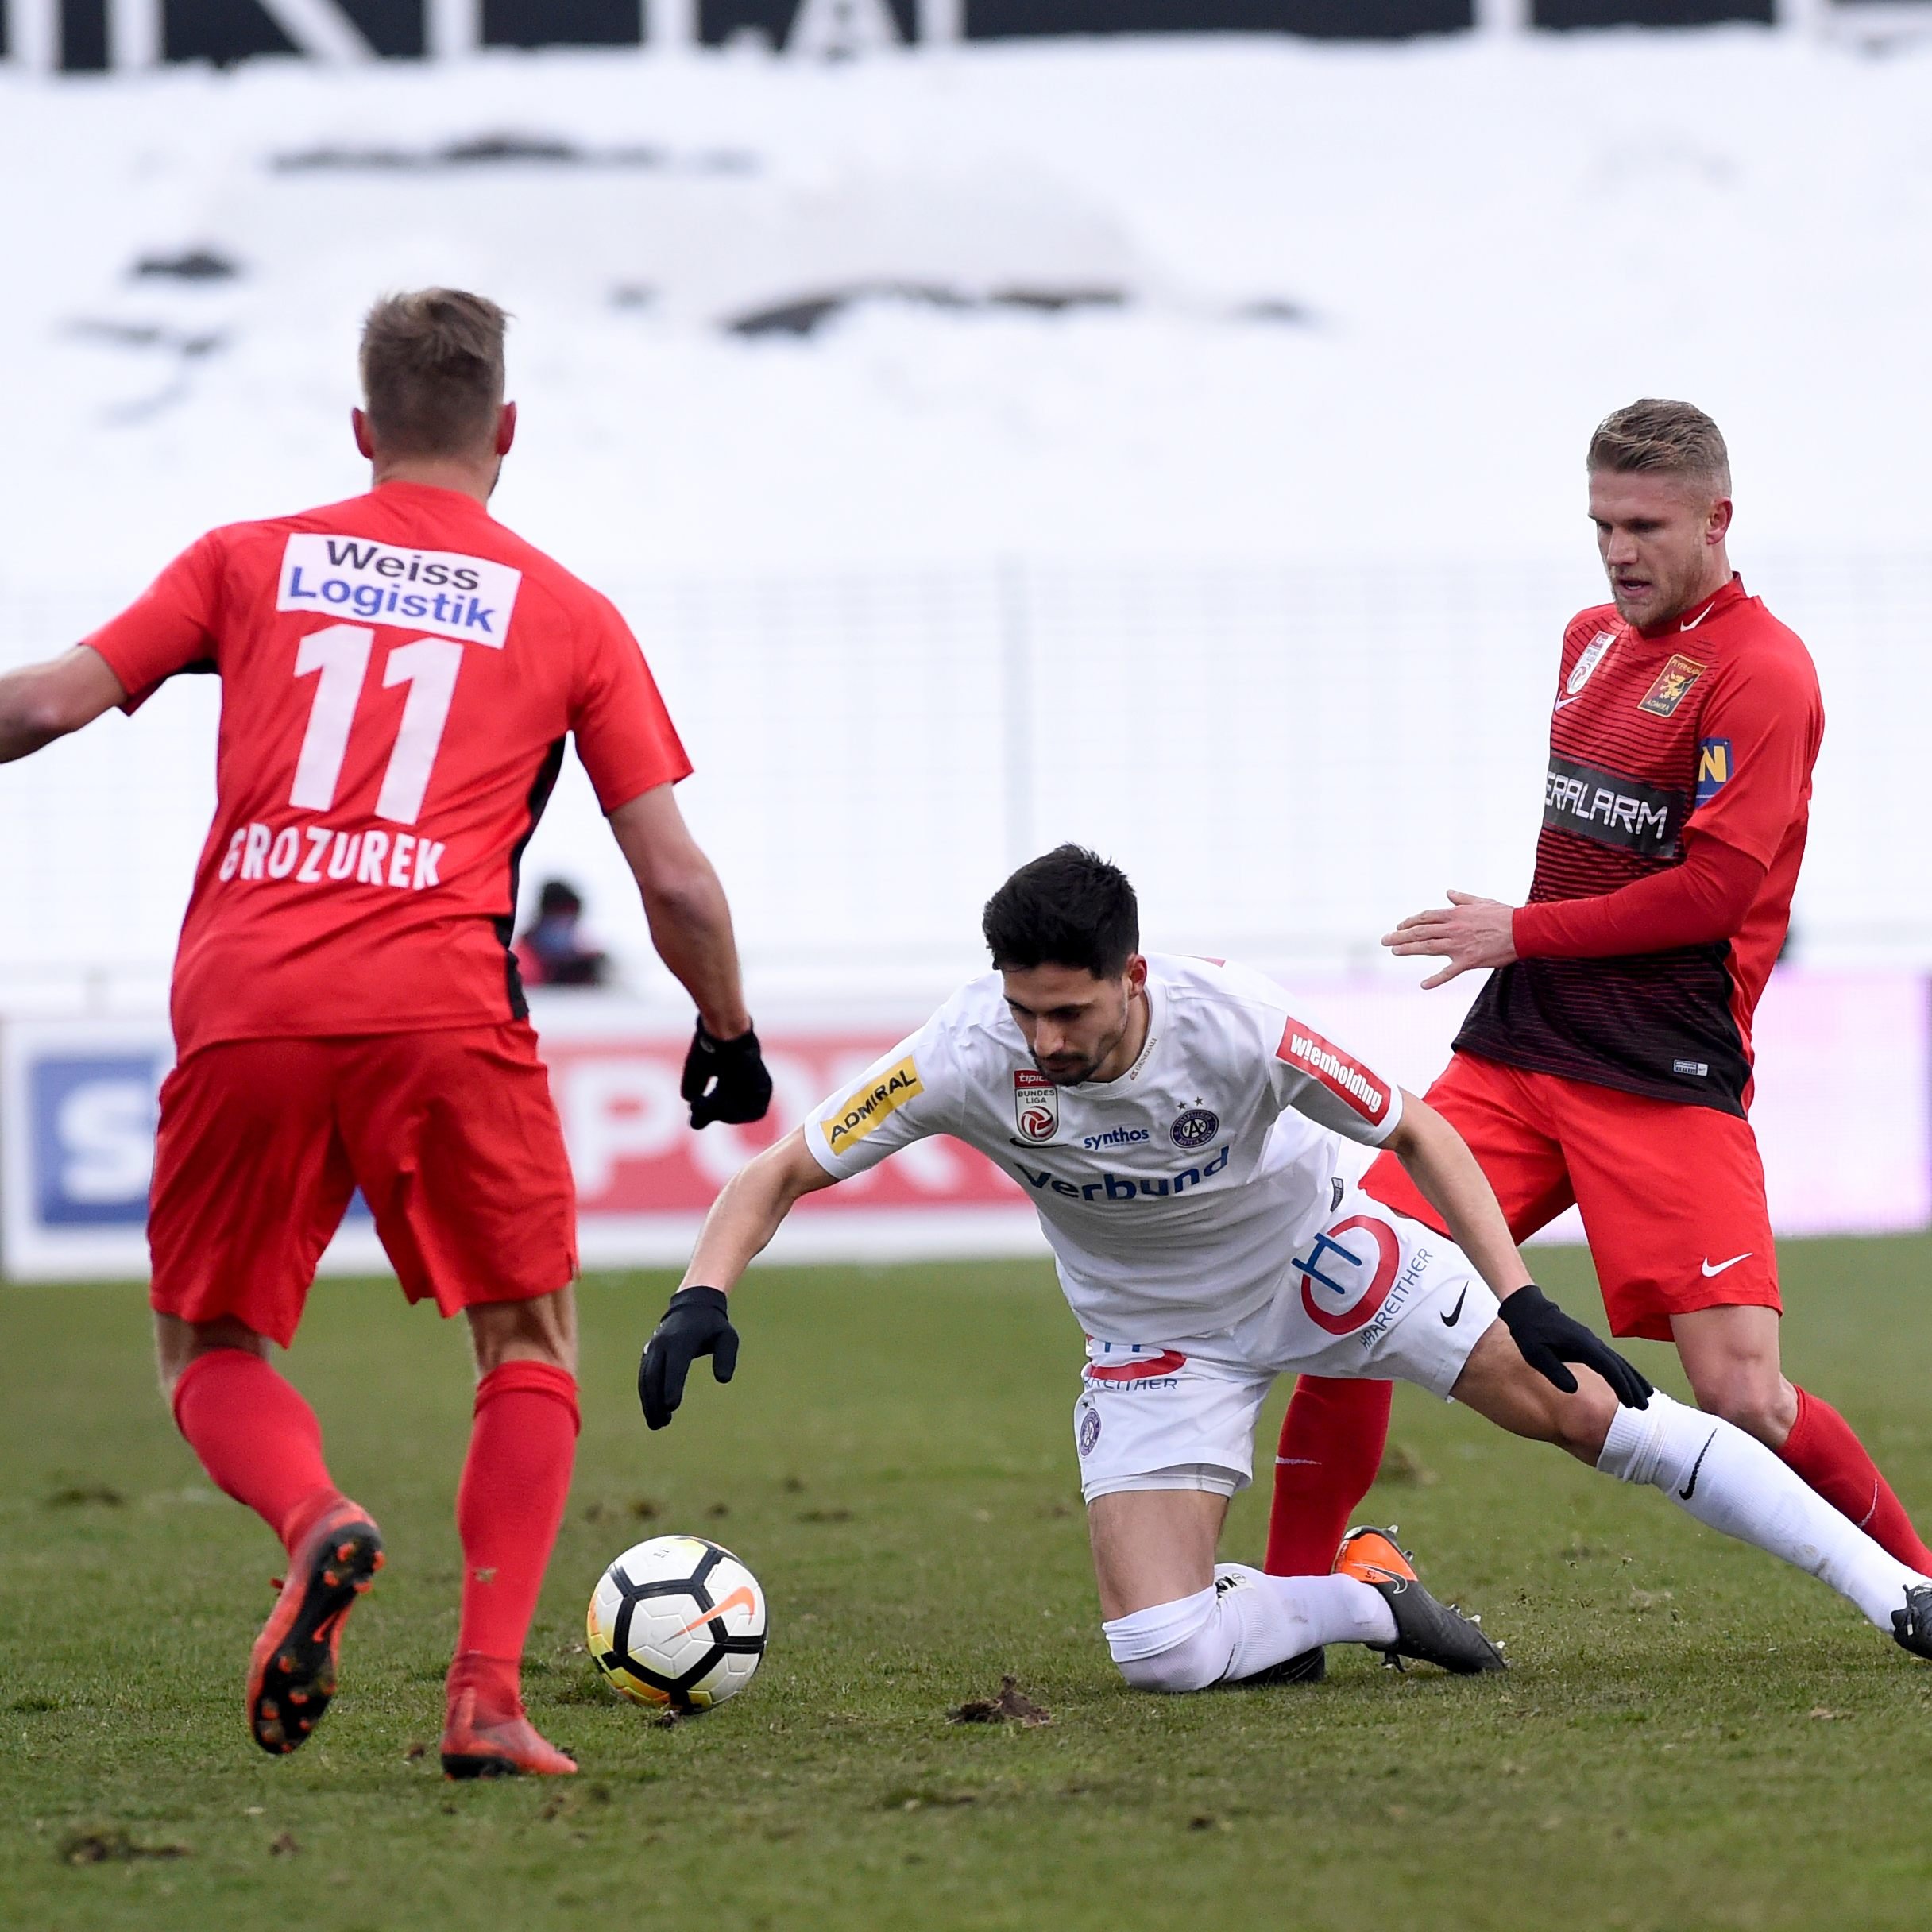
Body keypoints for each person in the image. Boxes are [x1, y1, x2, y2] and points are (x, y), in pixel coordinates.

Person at [0, 289, 774, 1778]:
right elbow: (670, 876)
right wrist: (724, 1021)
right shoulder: (565, 609)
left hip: (247, 998)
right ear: (506, 429)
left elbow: (43, 703)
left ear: (362, 431)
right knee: (527, 1338)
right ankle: (484, 1696)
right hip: (441, 1002)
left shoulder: (242, 559)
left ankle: (314, 1520)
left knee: (207, 1345)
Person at [637, 846, 1932, 1694]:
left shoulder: (1230, 1023)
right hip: (1155, 1343)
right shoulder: (966, 1052)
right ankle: (1367, 1605)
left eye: (1069, 1012)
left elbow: (1415, 1128)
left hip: (1328, 1267)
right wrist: (703, 1291)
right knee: (1158, 1651)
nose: (1042, 1039)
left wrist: (1521, 1298)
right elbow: (776, 1173)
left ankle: (1896, 1592)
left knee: (1613, 1424)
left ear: (1130, 978)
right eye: (1023, 1008)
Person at [1262, 398, 1932, 1585]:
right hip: (1520, 1058)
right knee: (1350, 1286)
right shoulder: (1585, 638)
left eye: (1644, 525)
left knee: (1743, 1396)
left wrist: (1519, 930)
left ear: (1718, 520)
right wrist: (1529, 951)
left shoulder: (1763, 672)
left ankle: (1919, 1582)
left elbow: (1715, 891)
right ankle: (1298, 1600)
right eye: (1601, 526)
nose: (1620, 552)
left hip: (1662, 1072)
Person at [516, 878, 608, 987]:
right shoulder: (521, 963)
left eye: (570, 921)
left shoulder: (583, 961)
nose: (564, 928)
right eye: (559, 921)